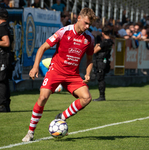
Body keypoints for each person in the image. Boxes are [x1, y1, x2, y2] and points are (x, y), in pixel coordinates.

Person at [22, 7, 96, 142]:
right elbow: (43, 47)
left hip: (72, 75)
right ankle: (30, 133)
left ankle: (61, 117)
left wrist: (87, 73)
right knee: (43, 97)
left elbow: (90, 59)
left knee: (87, 98)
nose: (87, 26)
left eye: (89, 24)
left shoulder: (89, 39)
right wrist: (34, 67)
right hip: (55, 71)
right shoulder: (64, 31)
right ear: (78, 18)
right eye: (85, 23)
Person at [93, 26, 114, 101]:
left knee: (100, 79)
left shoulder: (104, 42)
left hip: (101, 61)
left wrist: (95, 46)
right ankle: (102, 96)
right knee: (102, 78)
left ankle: (102, 96)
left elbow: (94, 51)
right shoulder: (110, 41)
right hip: (106, 61)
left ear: (102, 33)